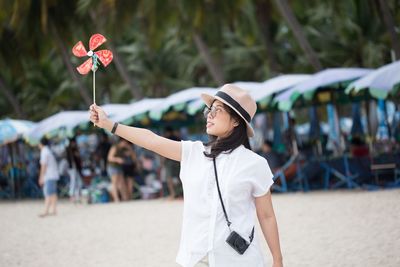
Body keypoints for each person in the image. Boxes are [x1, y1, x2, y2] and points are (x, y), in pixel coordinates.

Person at [90, 84, 283, 267]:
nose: (209, 115)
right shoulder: (194, 153)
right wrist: (109, 124)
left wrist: (277, 259)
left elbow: (266, 216)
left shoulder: (255, 164)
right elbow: (151, 140)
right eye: (209, 110)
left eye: (217, 110)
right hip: (196, 256)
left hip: (239, 260)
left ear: (235, 121)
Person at [38, 137, 60, 217]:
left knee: (48, 193)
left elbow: (43, 165)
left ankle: (46, 211)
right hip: (53, 174)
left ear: (41, 144)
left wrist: (41, 177)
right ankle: (54, 210)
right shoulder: (48, 151)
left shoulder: (44, 152)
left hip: (49, 175)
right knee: (53, 193)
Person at [163, 126, 182, 199]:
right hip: (177, 160)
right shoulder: (177, 138)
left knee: (169, 178)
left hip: (169, 161)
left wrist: (163, 161)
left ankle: (173, 194)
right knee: (179, 177)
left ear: (167, 132)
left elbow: (164, 151)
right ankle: (181, 194)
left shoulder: (166, 139)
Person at [107, 138, 126, 202]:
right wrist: (118, 159)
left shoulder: (122, 149)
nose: (126, 144)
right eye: (125, 142)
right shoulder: (115, 147)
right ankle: (116, 199)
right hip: (112, 167)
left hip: (118, 167)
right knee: (114, 183)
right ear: (121, 142)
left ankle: (124, 198)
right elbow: (109, 158)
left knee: (121, 183)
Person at [66, 137, 83, 203]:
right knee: (73, 181)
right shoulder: (68, 149)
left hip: (76, 168)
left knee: (79, 182)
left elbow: (78, 159)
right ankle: (72, 195)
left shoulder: (75, 149)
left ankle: (77, 195)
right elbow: (70, 160)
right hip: (72, 168)